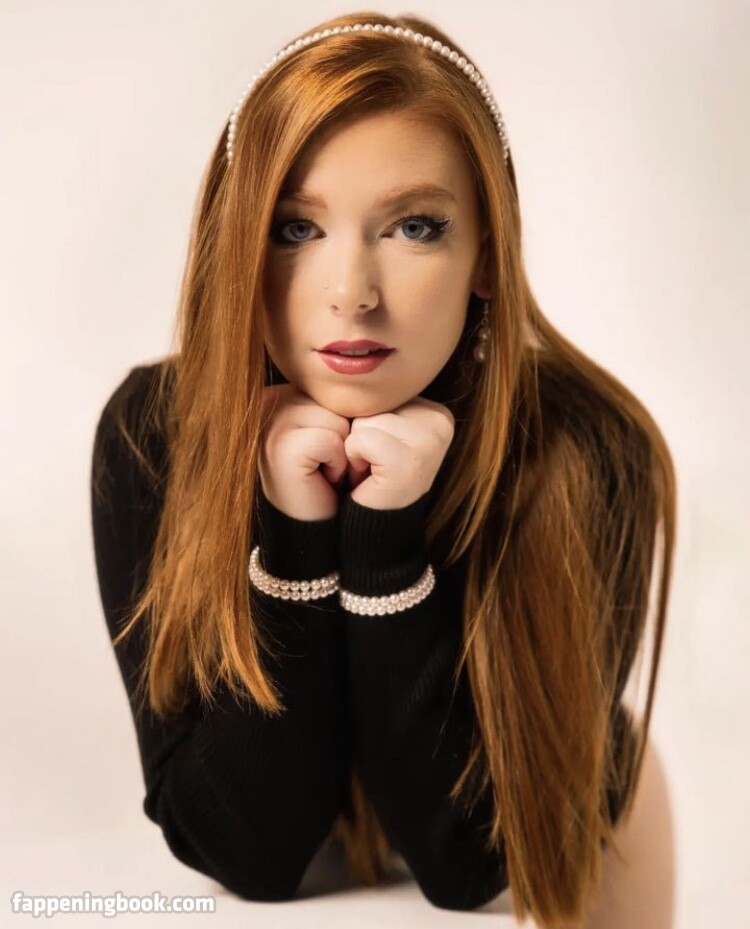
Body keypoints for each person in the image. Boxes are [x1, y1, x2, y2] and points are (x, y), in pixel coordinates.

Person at [90, 10, 676, 927]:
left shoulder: (587, 448)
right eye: (296, 228)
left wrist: (384, 550)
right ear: (236, 242)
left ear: (488, 253)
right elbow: (247, 854)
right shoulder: (152, 434)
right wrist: (296, 541)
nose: (352, 292)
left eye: (414, 226)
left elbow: (467, 864)